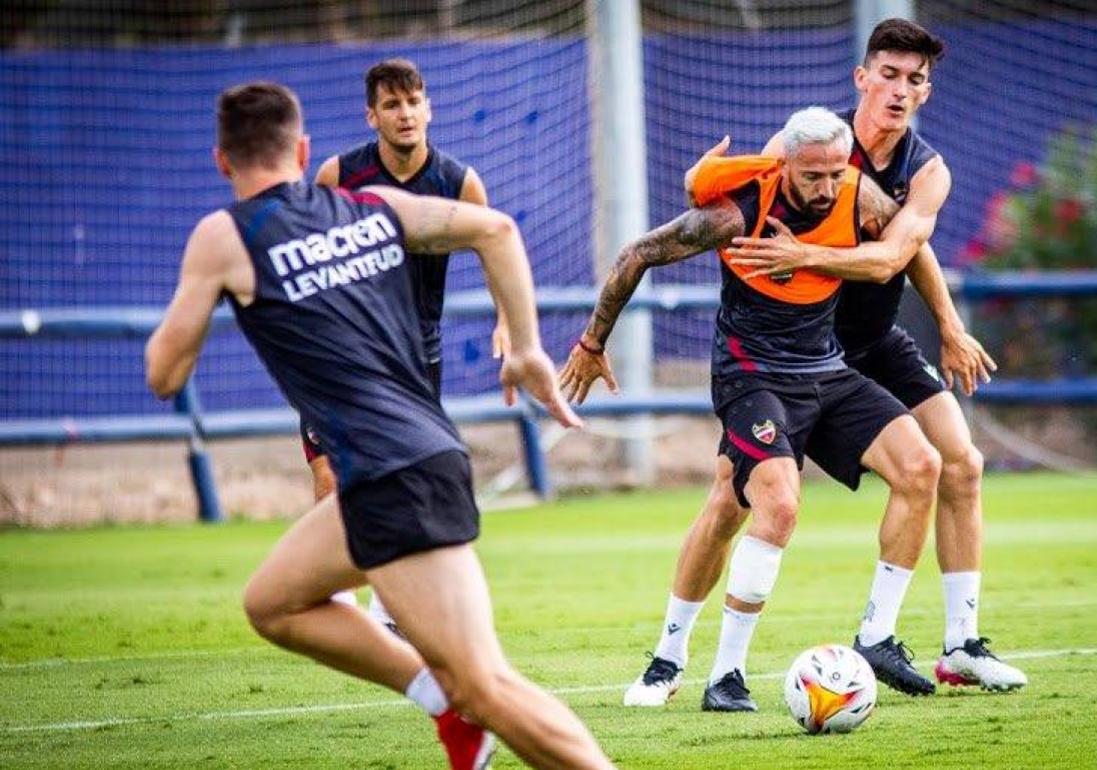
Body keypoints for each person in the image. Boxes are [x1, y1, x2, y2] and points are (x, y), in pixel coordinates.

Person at [145, 81, 615, 770]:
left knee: (485, 683)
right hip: (394, 466)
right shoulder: (372, 206)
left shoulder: (224, 235)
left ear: (223, 162)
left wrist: (208, 291)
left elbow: (164, 376)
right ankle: (440, 701)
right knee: (273, 602)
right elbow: (498, 229)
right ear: (303, 151)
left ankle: (464, 706)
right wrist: (524, 345)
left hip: (398, 474)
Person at [625, 17, 1026, 703]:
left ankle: (952, 643)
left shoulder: (925, 171)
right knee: (731, 500)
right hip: (789, 351)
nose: (900, 92)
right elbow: (737, 204)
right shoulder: (809, 140)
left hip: (870, 342)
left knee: (958, 461)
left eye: (915, 81)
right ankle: (670, 657)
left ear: (928, 93)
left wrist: (951, 326)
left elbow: (905, 248)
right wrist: (701, 179)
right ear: (862, 78)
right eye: (890, 76)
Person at [561, 106, 942, 712]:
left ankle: (874, 637)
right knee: (780, 505)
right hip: (750, 376)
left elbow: (907, 244)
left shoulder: (857, 194)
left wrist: (946, 322)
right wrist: (591, 343)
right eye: (810, 175)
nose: (824, 188)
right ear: (784, 163)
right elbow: (637, 253)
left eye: (833, 174)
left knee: (922, 466)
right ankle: (716, 674)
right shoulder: (738, 211)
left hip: (826, 370)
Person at [301, 58, 508, 629]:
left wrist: (506, 322)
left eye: (414, 101)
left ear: (429, 108)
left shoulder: (457, 181)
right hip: (346, 349)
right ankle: (335, 599)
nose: (405, 113)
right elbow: (307, 256)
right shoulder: (337, 176)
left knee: (405, 476)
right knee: (331, 478)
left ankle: (388, 609)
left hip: (418, 353)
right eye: (392, 104)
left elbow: (495, 245)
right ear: (372, 115)